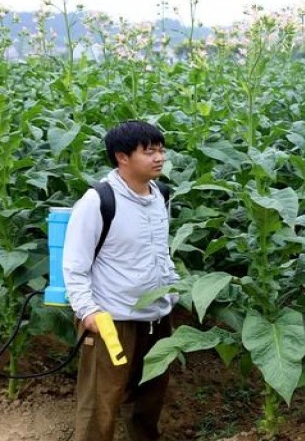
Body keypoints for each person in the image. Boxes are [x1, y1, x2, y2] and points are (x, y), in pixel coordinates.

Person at [62, 120, 179, 441]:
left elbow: (160, 252)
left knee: (149, 397)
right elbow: (74, 264)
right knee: (102, 400)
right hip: (112, 321)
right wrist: (88, 312)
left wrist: (173, 291)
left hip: (156, 318)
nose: (159, 157)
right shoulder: (98, 201)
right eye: (149, 151)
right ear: (122, 157)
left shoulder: (161, 195)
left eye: (161, 150)